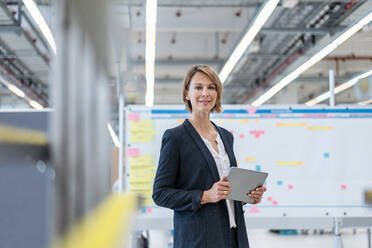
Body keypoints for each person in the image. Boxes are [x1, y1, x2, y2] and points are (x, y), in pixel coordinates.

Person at [152, 64, 266, 248]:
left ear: (217, 93)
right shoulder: (175, 138)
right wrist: (205, 196)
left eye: (211, 87)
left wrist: (247, 196)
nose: (205, 93)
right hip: (198, 239)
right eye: (198, 87)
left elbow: (226, 191)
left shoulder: (226, 136)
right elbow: (160, 194)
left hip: (234, 237)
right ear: (186, 94)